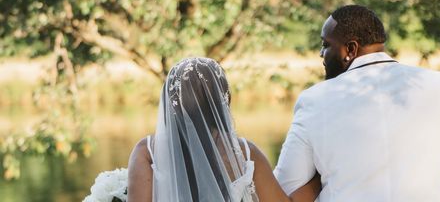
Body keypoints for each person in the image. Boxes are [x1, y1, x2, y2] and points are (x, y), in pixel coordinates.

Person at [274, 4, 440, 201]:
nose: (321, 54)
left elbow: (286, 186)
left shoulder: (314, 100)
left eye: (325, 45)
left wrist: (324, 176)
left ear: (350, 50)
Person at [127, 57, 320, 202]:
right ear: (222, 101)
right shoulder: (244, 153)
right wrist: (320, 178)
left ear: (172, 104)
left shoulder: (147, 152)